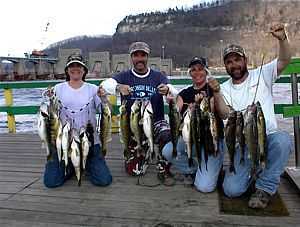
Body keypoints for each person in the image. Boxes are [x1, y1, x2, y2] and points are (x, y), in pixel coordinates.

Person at [220, 23, 292, 208]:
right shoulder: (224, 88)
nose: (234, 64)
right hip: (243, 144)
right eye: (229, 61)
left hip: (268, 137)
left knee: (283, 140)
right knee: (231, 190)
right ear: (225, 66)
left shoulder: (263, 73)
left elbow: (284, 60)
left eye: (237, 59)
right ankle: (256, 171)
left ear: (245, 60)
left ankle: (264, 189)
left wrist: (282, 39)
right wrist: (214, 94)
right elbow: (224, 112)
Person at [100, 41, 178, 185]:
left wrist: (167, 90)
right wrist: (118, 87)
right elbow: (104, 85)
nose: (140, 58)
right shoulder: (123, 76)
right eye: (136, 55)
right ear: (131, 57)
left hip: (156, 122)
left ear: (147, 57)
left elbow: (174, 91)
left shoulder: (158, 76)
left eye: (143, 55)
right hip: (133, 125)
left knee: (168, 134)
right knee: (135, 171)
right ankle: (145, 152)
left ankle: (163, 166)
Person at [43, 53, 112, 188]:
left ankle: (84, 164)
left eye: (79, 66)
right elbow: (49, 113)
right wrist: (49, 99)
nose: (75, 69)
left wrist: (104, 98)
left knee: (103, 180)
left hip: (90, 139)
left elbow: (108, 110)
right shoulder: (57, 88)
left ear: (84, 70)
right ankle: (70, 167)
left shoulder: (93, 89)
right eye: (72, 66)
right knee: (51, 182)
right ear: (67, 70)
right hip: (63, 140)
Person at [162, 57, 228, 190]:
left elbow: (222, 113)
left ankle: (211, 168)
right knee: (168, 151)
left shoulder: (214, 89)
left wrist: (203, 104)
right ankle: (191, 170)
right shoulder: (185, 93)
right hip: (191, 138)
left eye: (200, 69)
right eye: (193, 70)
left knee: (204, 187)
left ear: (206, 71)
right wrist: (171, 102)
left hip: (212, 140)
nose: (197, 72)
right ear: (190, 73)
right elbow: (177, 111)